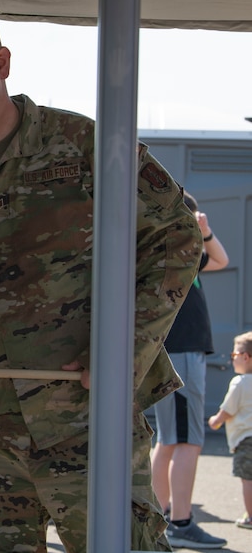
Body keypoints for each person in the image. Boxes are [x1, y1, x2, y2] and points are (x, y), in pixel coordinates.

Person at [0, 5, 200, 552]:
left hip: (91, 422)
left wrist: (125, 348)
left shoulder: (88, 145)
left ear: (1, 62)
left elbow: (177, 237)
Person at [150, 191, 229, 549]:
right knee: (185, 441)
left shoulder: (183, 254)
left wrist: (205, 232)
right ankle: (179, 521)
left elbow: (219, 260)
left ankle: (161, 517)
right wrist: (201, 230)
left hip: (182, 353)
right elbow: (220, 258)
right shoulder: (177, 251)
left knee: (171, 441)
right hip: (181, 354)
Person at [208, 331, 252, 530]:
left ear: (245, 357)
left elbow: (226, 411)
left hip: (246, 440)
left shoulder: (240, 383)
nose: (232, 359)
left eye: (234, 355)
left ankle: (250, 517)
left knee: (248, 480)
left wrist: (214, 422)